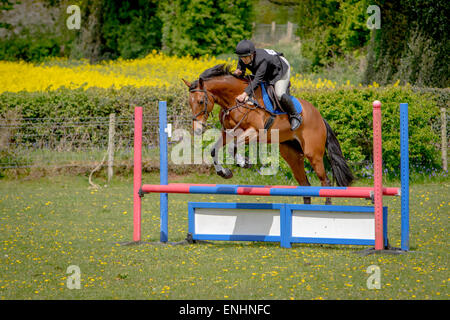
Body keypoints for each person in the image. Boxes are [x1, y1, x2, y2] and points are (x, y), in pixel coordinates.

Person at [233, 39, 302, 130]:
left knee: (279, 93)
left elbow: (258, 79)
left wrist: (244, 94)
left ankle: (295, 115)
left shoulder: (262, 59)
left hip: (280, 69)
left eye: (246, 57)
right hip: (267, 70)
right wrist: (238, 72)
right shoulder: (243, 56)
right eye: (241, 57)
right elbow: (242, 71)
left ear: (252, 54)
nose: (244, 60)